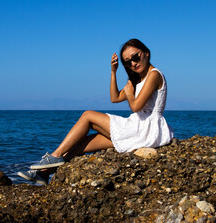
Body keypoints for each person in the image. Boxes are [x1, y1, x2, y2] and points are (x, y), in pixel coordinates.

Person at [17, 39, 174, 185]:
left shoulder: (154, 74)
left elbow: (136, 107)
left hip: (145, 129)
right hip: (136, 129)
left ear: (145, 53)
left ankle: (54, 156)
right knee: (83, 144)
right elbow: (114, 98)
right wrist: (113, 72)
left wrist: (130, 93)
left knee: (87, 116)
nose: (133, 63)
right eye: (128, 61)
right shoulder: (139, 79)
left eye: (135, 57)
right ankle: (44, 174)